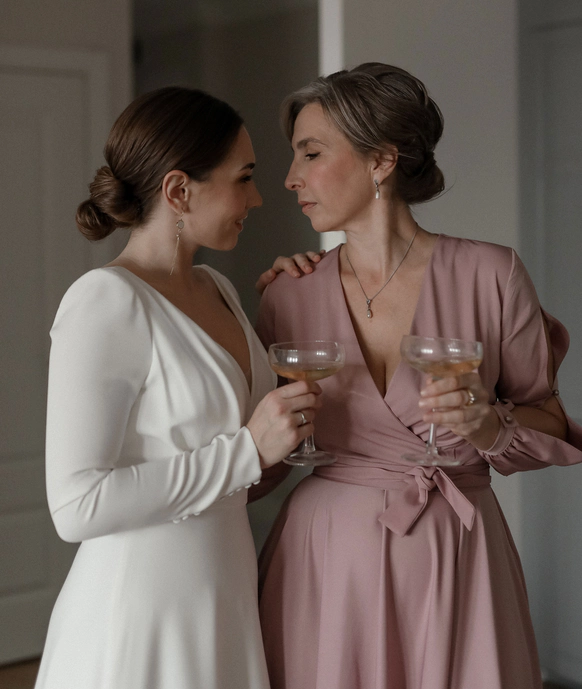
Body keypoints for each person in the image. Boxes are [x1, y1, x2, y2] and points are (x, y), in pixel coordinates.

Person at [253, 63, 582, 689]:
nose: (291, 177)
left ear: (381, 160)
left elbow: (552, 421)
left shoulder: (492, 274)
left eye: (311, 153)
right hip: (327, 560)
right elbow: (264, 453)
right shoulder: (288, 294)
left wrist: (489, 425)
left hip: (457, 551)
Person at [34, 87, 322, 689]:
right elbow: (76, 505)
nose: (258, 197)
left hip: (224, 595)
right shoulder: (105, 301)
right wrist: (245, 450)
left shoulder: (219, 287)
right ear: (178, 190)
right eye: (244, 178)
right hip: (139, 614)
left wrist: (301, 295)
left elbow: (243, 463)